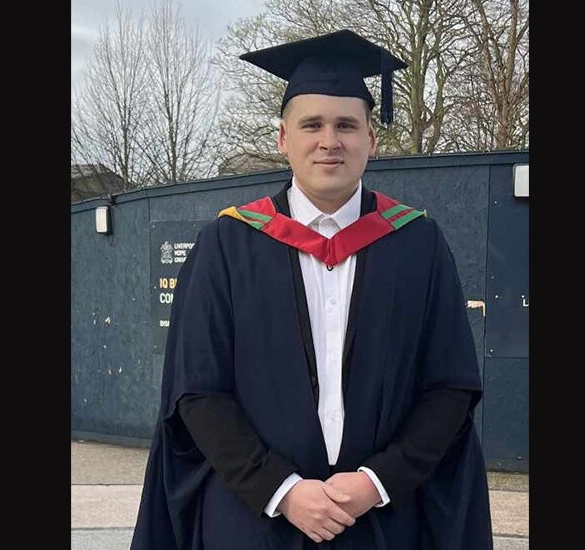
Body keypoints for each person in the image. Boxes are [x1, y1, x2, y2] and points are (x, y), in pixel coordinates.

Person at [131, 29, 491, 550]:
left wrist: (376, 482)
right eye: (312, 125)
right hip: (253, 519)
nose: (330, 140)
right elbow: (198, 390)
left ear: (371, 138)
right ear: (283, 138)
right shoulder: (226, 246)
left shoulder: (418, 244)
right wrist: (281, 490)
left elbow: (450, 387)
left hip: (382, 522)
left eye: (346, 124)